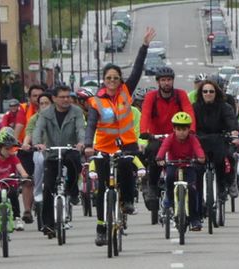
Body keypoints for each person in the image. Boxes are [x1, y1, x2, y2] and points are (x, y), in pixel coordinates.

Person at [84, 27, 156, 246]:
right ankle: (100, 228)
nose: (113, 80)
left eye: (116, 77)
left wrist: (144, 46)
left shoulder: (126, 91)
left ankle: (126, 201)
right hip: (104, 147)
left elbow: (137, 70)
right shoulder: (96, 101)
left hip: (127, 145)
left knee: (126, 169)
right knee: (102, 189)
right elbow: (92, 125)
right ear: (103, 81)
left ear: (120, 80)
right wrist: (88, 144)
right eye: (108, 78)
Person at [140, 66, 195, 214]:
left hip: (176, 135)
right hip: (156, 136)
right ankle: (152, 185)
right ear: (158, 82)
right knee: (153, 153)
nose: (166, 83)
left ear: (173, 81)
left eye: (169, 80)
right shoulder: (151, 96)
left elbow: (189, 111)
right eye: (163, 80)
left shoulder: (180, 95)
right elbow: (145, 114)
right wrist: (144, 133)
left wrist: (191, 130)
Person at [32, 86, 85, 238]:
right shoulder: (45, 114)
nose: (66, 99)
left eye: (68, 96)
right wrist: (38, 143)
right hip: (52, 153)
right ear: (54, 99)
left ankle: (73, 190)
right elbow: (38, 130)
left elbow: (80, 129)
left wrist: (81, 142)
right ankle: (48, 225)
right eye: (62, 97)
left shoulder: (76, 112)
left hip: (70, 150)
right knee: (48, 187)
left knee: (75, 165)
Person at [156, 112, 205, 230]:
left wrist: (201, 158)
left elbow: (199, 150)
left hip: (189, 166)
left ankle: (194, 219)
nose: (181, 132)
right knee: (170, 178)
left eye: (184, 129)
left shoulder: (192, 139)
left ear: (189, 129)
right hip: (173, 164)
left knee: (192, 190)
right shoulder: (170, 138)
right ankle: (169, 200)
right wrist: (160, 158)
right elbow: (163, 149)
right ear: (174, 129)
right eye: (178, 129)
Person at [193, 80, 239, 201]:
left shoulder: (224, 107)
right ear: (201, 93)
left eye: (211, 91)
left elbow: (231, 121)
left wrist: (234, 132)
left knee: (228, 157)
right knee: (196, 166)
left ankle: (228, 183)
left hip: (219, 138)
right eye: (205, 91)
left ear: (216, 93)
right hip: (200, 140)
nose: (208, 94)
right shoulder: (195, 107)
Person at [0, 128, 29, 238]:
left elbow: (21, 170)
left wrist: (25, 176)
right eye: (6, 148)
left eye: (11, 148)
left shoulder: (13, 158)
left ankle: (17, 218)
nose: (10, 151)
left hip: (10, 184)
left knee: (13, 196)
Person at [14, 84, 46, 224]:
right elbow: (21, 125)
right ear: (29, 98)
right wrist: (14, 145)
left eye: (40, 96)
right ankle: (27, 210)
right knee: (27, 180)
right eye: (34, 96)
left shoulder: (51, 109)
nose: (37, 99)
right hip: (27, 147)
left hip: (47, 147)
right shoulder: (24, 108)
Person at [21, 93, 53, 210]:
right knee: (39, 159)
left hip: (56, 150)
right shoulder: (35, 118)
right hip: (40, 150)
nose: (44, 106)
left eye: (47, 103)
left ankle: (65, 188)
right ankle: (38, 191)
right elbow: (29, 132)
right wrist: (25, 143)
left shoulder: (59, 116)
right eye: (42, 103)